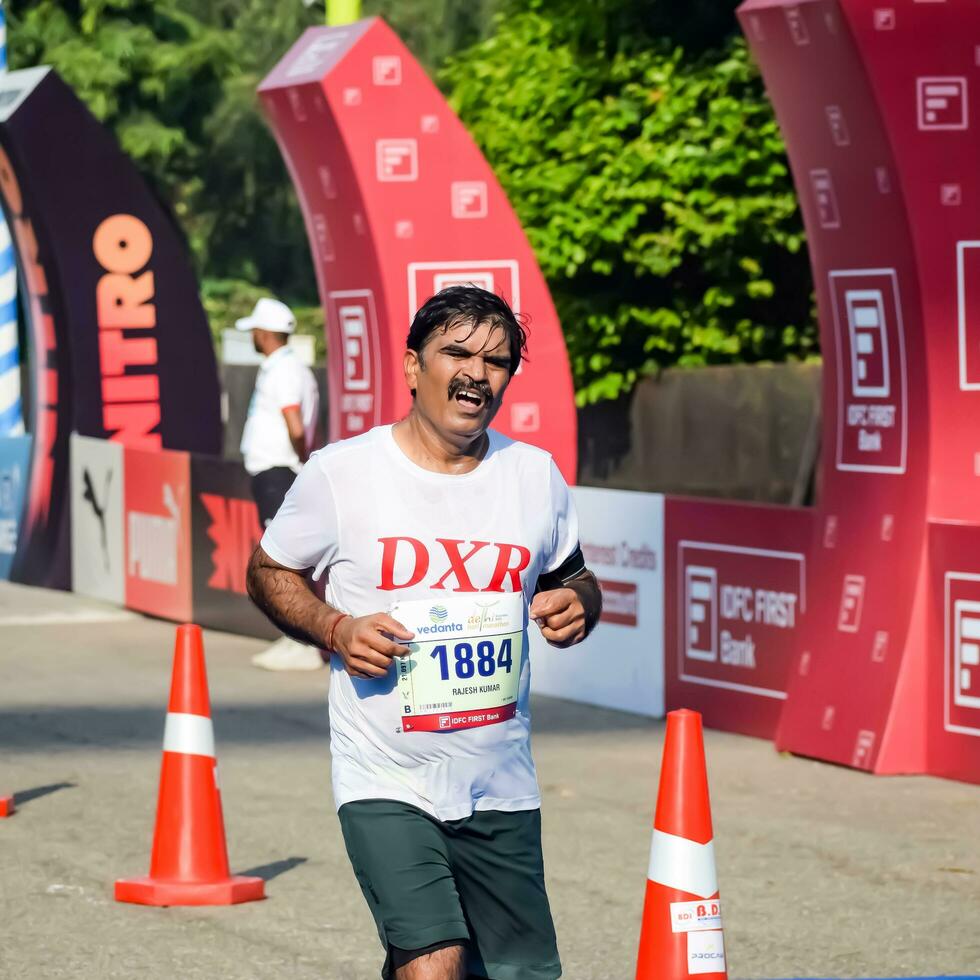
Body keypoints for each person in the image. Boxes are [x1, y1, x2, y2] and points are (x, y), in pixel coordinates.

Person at [246, 285, 602, 980]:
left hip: (500, 782)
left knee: (516, 974)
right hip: (385, 775)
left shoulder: (534, 477)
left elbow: (575, 577)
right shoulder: (343, 474)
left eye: (496, 361)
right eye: (456, 353)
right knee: (432, 961)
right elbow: (267, 570)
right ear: (413, 366)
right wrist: (333, 625)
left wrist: (578, 605)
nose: (476, 373)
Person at [236, 296, 322, 671]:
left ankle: (304, 643)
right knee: (283, 556)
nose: (253, 334)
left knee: (286, 560)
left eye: (256, 328)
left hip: (279, 470)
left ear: (266, 333)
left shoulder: (285, 370)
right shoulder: (280, 367)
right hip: (273, 470)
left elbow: (295, 425)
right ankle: (294, 636)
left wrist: (299, 458)